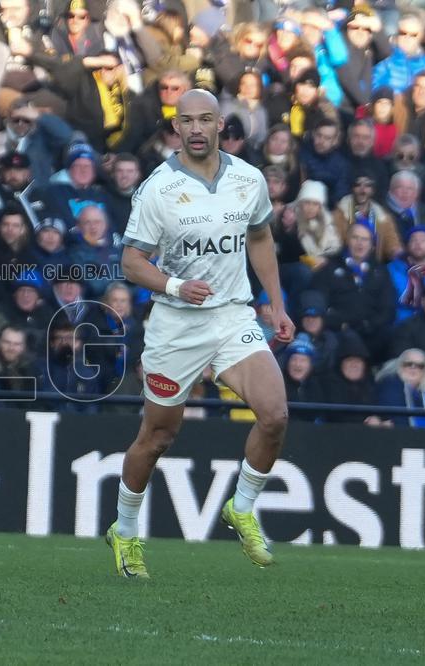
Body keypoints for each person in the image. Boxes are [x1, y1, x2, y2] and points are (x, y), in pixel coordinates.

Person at [106, 90, 294, 579]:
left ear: (218, 125)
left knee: (274, 415)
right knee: (159, 436)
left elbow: (259, 237)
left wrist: (275, 304)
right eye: (185, 121)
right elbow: (130, 261)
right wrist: (174, 285)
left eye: (204, 120)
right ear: (175, 127)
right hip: (176, 325)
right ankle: (125, 531)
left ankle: (242, 507)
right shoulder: (157, 189)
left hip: (231, 316)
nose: (195, 129)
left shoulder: (249, 179)